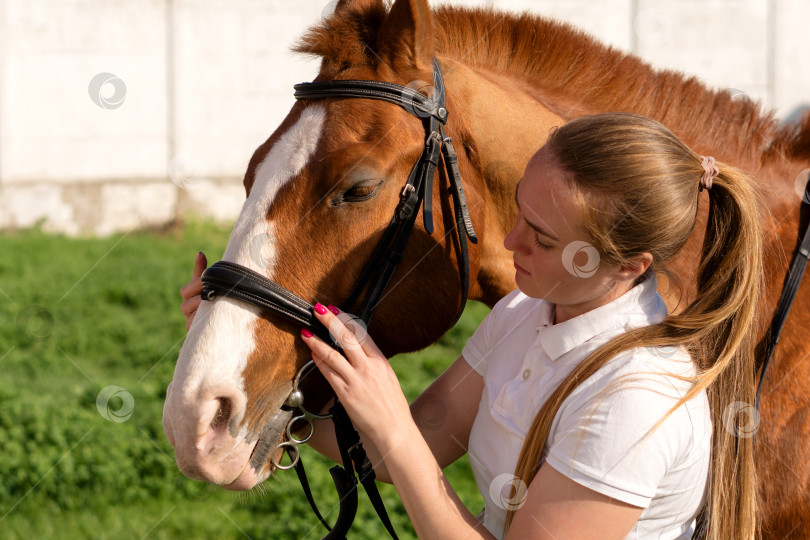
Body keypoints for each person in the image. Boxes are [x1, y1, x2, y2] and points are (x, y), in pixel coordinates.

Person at [181, 113, 761, 539]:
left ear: (630, 266)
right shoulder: (527, 311)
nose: (509, 245)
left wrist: (396, 431)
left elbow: (406, 445)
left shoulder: (635, 398)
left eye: (544, 238)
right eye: (520, 214)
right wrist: (265, 397)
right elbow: (425, 433)